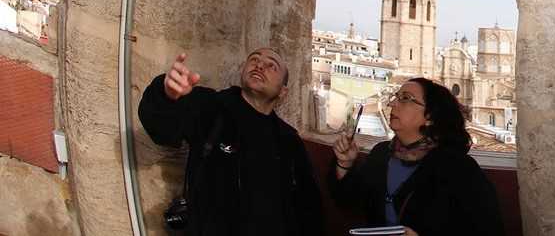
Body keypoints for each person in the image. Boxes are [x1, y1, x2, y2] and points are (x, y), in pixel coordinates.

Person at [137, 48, 324, 235]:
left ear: (283, 92)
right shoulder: (210, 107)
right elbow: (161, 129)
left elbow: (308, 207)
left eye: (271, 66)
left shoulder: (289, 140)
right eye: (254, 59)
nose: (259, 65)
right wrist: (166, 95)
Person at [330, 78, 503, 235]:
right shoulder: (381, 153)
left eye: (405, 98)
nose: (392, 104)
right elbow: (350, 202)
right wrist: (345, 163)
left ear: (430, 116)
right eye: (395, 97)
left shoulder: (459, 170)